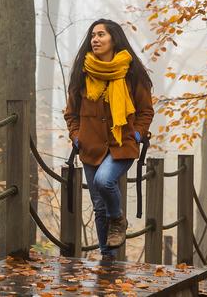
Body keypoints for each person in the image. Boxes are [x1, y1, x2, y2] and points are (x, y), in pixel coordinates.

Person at [63, 19, 154, 261]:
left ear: (114, 38)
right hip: (90, 148)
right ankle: (108, 259)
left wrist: (137, 134)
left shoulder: (132, 73)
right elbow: (71, 113)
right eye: (93, 35)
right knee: (98, 206)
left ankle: (119, 219)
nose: (95, 39)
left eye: (101, 34)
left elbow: (146, 111)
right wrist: (76, 135)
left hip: (121, 145)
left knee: (105, 182)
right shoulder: (83, 73)